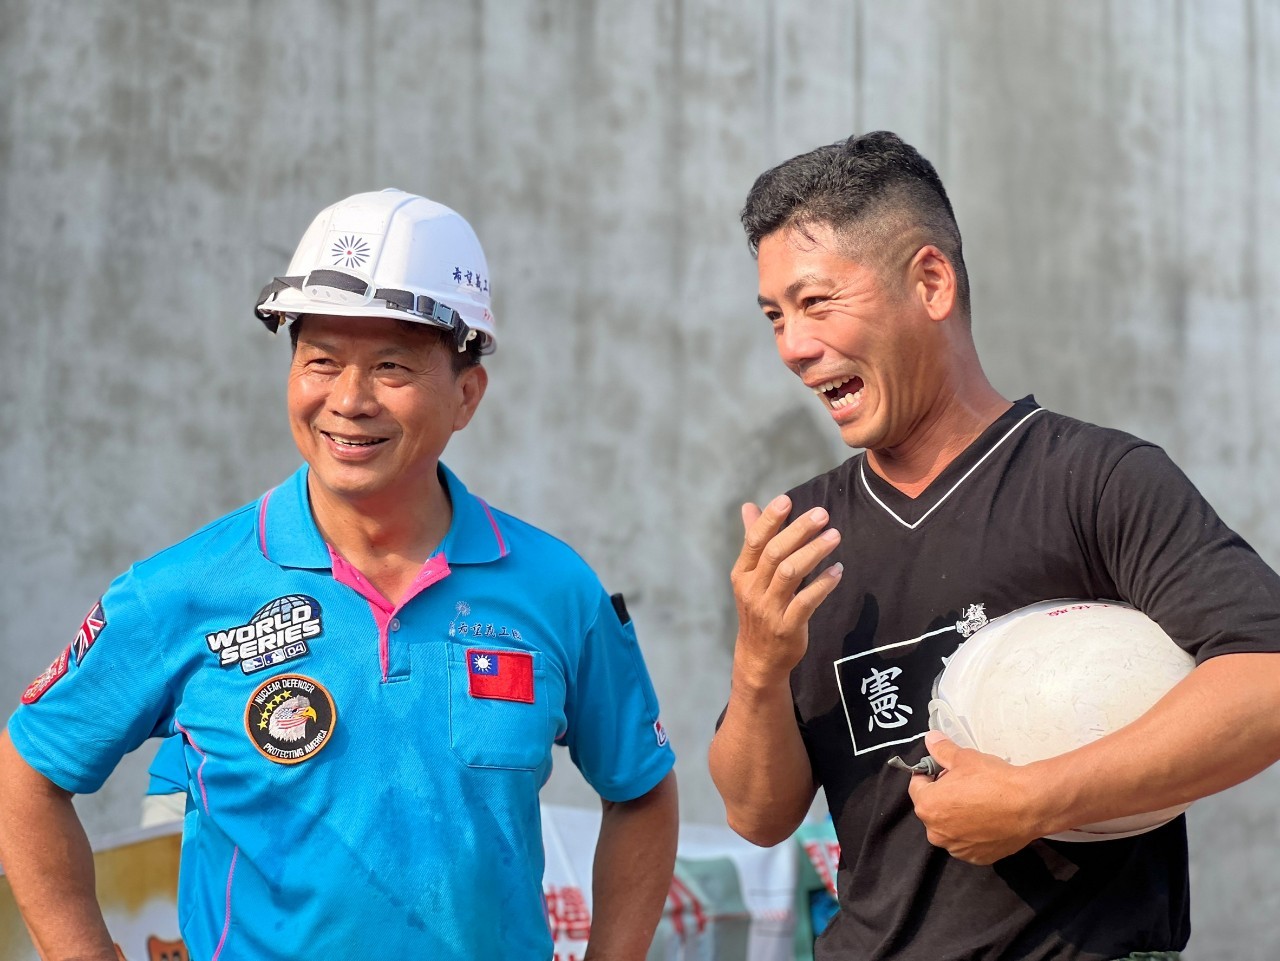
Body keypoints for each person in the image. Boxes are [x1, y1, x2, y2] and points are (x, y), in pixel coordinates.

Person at [0, 188, 678, 961]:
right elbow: (29, 770)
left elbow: (641, 789)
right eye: (321, 360)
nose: (348, 400)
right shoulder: (184, 589)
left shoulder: (554, 589)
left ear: (466, 394)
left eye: (391, 366)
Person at [707, 131, 1280, 960]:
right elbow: (757, 815)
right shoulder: (804, 533)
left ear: (930, 282)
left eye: (817, 301)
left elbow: (1265, 677)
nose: (793, 346)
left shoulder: (1096, 480)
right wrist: (759, 664)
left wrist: (1040, 798)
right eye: (775, 316)